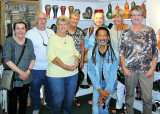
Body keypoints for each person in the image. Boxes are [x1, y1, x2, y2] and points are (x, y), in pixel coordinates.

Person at [120, 5, 158, 114]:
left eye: (139, 15)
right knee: (129, 96)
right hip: (130, 70)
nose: (136, 17)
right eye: (133, 15)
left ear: (142, 16)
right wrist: (124, 68)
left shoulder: (149, 31)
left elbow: (155, 52)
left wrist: (152, 69)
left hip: (146, 70)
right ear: (130, 17)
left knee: (147, 99)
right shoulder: (125, 33)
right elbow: (122, 52)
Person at [46, 16, 79, 114]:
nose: (63, 26)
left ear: (68, 25)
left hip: (73, 73)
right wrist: (65, 67)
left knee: (69, 99)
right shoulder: (53, 38)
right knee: (58, 99)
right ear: (57, 26)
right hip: (56, 74)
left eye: (65, 24)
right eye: (60, 24)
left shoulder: (70, 38)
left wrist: (76, 63)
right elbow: (51, 56)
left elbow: (76, 52)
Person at [3, 19, 35, 114]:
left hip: (26, 77)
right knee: (12, 103)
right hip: (13, 78)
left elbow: (33, 58)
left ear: (26, 30)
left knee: (23, 101)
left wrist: (28, 71)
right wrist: (21, 72)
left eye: (22, 28)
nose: (20, 31)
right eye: (18, 28)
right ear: (14, 30)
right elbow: (7, 60)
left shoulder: (29, 42)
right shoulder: (9, 42)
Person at [25, 12, 54, 114]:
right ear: (36, 20)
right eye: (40, 19)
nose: (42, 21)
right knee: (34, 89)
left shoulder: (51, 32)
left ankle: (49, 104)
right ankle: (36, 107)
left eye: (44, 19)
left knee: (50, 88)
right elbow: (27, 51)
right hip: (36, 68)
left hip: (50, 67)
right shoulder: (30, 33)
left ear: (46, 20)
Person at [87, 27, 119, 114]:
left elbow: (113, 74)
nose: (102, 38)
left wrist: (106, 93)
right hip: (98, 84)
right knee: (95, 110)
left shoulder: (115, 53)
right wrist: (100, 90)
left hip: (110, 84)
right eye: (100, 35)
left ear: (108, 37)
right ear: (96, 37)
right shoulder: (91, 53)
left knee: (102, 106)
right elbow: (91, 72)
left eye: (105, 35)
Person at [109, 9, 129, 113]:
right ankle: (119, 105)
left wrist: (122, 60)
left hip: (128, 61)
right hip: (116, 62)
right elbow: (112, 47)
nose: (116, 19)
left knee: (128, 86)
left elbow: (130, 47)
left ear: (123, 17)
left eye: (118, 16)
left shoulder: (129, 29)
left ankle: (127, 107)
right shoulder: (111, 30)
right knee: (119, 85)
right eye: (114, 17)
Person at [66, 11, 85, 107]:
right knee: (66, 80)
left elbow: (82, 47)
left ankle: (73, 97)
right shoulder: (64, 30)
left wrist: (82, 61)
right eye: (73, 18)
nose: (75, 21)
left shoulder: (80, 32)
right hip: (65, 60)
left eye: (77, 19)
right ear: (69, 19)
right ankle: (66, 98)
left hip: (77, 61)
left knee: (76, 80)